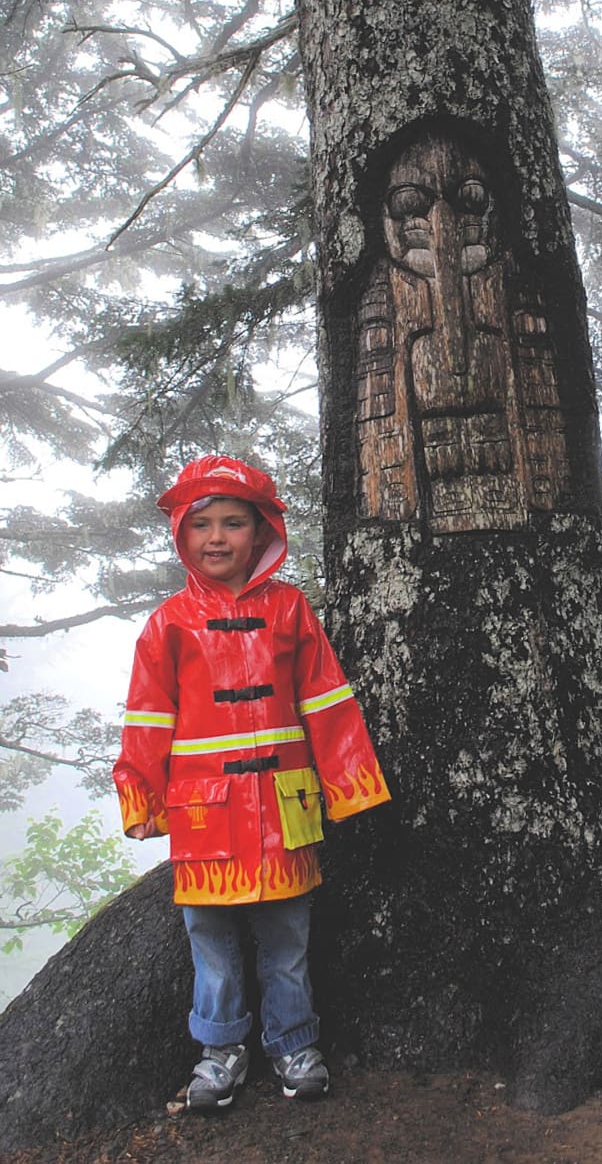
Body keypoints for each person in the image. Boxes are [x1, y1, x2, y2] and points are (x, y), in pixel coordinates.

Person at [113, 454, 390, 1111]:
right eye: (201, 524)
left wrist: (348, 782)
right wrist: (140, 795)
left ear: (262, 532)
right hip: (203, 817)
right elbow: (147, 720)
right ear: (181, 535)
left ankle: (295, 1044)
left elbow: (326, 702)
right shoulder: (166, 624)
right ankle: (220, 1054)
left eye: (233, 523)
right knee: (213, 953)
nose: (216, 538)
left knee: (289, 944)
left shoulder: (291, 610)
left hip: (284, 813)